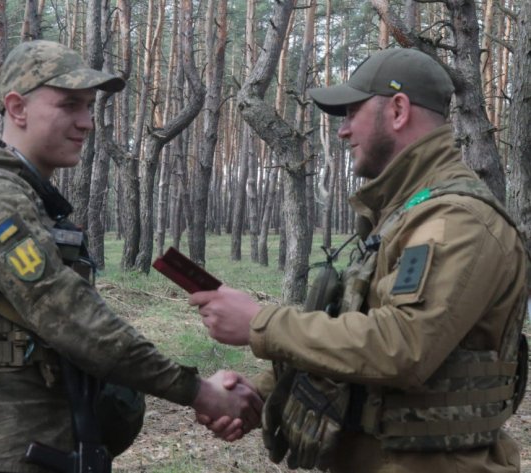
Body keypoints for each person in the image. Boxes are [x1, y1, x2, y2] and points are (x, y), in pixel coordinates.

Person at [0, 39, 262, 473]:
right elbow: (68, 314)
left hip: (30, 436)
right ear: (17, 109)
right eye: (70, 105)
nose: (87, 122)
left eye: (90, 107)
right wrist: (199, 391)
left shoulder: (22, 193)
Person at [190, 48, 527, 473]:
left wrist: (262, 322)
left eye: (351, 112)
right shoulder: (403, 214)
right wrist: (262, 392)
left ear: (399, 110)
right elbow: (353, 328)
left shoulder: (456, 220)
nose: (343, 131)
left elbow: (401, 346)